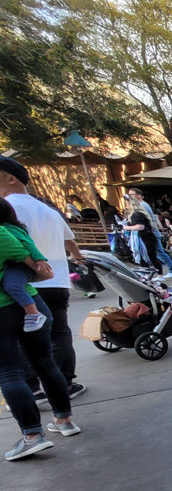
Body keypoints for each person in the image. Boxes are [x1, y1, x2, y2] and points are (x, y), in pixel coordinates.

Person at [0, 199, 82, 461]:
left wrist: (35, 262)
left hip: (4, 311)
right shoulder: (14, 229)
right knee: (44, 363)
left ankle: (32, 436)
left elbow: (13, 246)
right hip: (31, 302)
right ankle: (64, 420)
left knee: (10, 373)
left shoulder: (4, 232)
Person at [0, 156, 87, 401]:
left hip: (25, 284)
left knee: (24, 338)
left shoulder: (7, 208)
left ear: (10, 178)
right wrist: (78, 259)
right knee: (59, 333)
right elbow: (70, 240)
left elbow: (12, 246)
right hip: (57, 280)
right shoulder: (47, 209)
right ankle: (65, 384)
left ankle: (34, 389)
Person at [0, 198, 49, 331]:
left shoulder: (8, 230)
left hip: (20, 267)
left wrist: (39, 260)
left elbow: (28, 244)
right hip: (13, 265)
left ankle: (33, 314)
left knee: (12, 285)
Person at [128, 188, 172, 278]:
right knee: (156, 254)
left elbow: (144, 222)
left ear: (139, 196)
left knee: (157, 254)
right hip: (150, 233)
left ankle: (171, 271)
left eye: (132, 195)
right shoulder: (142, 205)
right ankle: (168, 271)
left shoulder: (142, 206)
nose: (130, 197)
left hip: (151, 233)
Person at [122, 196, 163, 274]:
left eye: (127, 204)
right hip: (145, 238)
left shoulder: (137, 215)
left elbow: (140, 227)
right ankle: (153, 275)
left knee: (149, 258)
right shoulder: (138, 214)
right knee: (149, 258)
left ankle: (156, 275)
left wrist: (125, 227)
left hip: (145, 239)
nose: (126, 206)